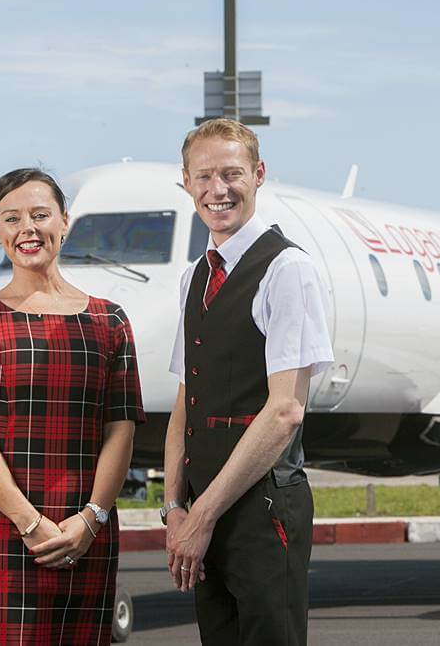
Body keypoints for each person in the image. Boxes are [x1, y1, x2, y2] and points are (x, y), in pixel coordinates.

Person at [0, 168, 144, 645]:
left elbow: (121, 431)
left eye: (39, 215)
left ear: (66, 221)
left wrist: (91, 518)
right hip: (6, 529)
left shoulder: (110, 321)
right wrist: (29, 523)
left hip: (86, 528)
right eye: (11, 218)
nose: (26, 229)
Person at [163, 118, 334, 644]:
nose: (219, 190)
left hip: (262, 507)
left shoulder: (287, 270)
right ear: (186, 184)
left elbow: (285, 411)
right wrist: (174, 509)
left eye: (233, 174)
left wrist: (201, 518)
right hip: (200, 515)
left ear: (259, 175)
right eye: (204, 177)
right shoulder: (197, 274)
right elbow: (185, 402)